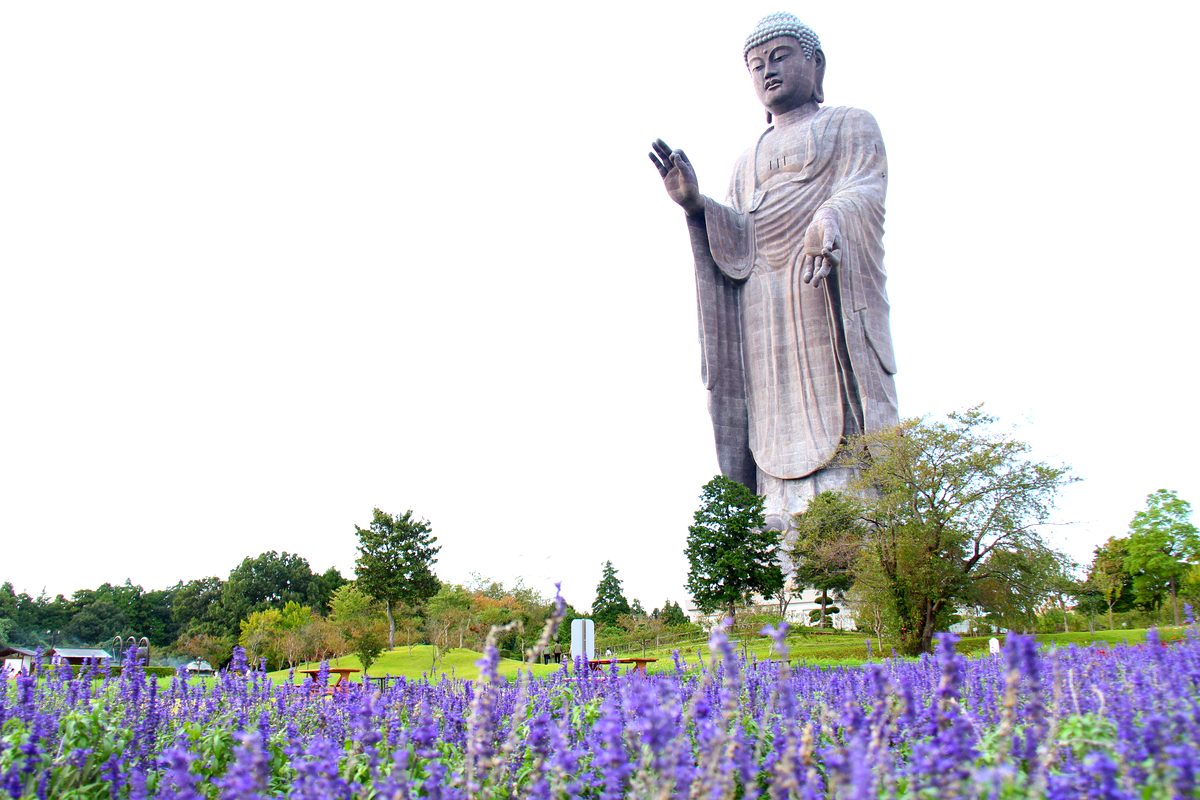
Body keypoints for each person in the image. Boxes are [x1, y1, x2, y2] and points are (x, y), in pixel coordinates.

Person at [649, 12, 898, 530]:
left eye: (780, 56)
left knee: (839, 395)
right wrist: (697, 206)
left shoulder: (849, 123)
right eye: (756, 65)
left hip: (822, 285)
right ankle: (776, 517)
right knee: (767, 406)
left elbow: (866, 186)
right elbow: (740, 241)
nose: (768, 71)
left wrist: (828, 216)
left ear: (815, 62)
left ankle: (858, 514)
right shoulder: (747, 158)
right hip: (762, 303)